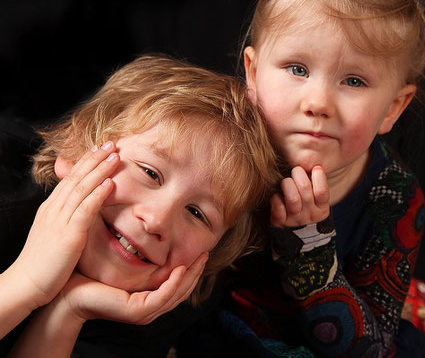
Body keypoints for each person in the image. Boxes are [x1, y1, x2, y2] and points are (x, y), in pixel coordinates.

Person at [177, 0, 425, 356]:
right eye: (297, 68)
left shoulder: (393, 195)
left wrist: (310, 251)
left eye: (354, 80)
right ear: (253, 72)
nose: (317, 103)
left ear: (392, 108)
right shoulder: (216, 148)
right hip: (209, 326)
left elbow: (371, 349)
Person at [1, 54, 280, 357]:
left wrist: (69, 309)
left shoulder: (153, 316)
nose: (157, 220)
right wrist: (27, 282)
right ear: (76, 146)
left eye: (197, 214)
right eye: (150, 172)